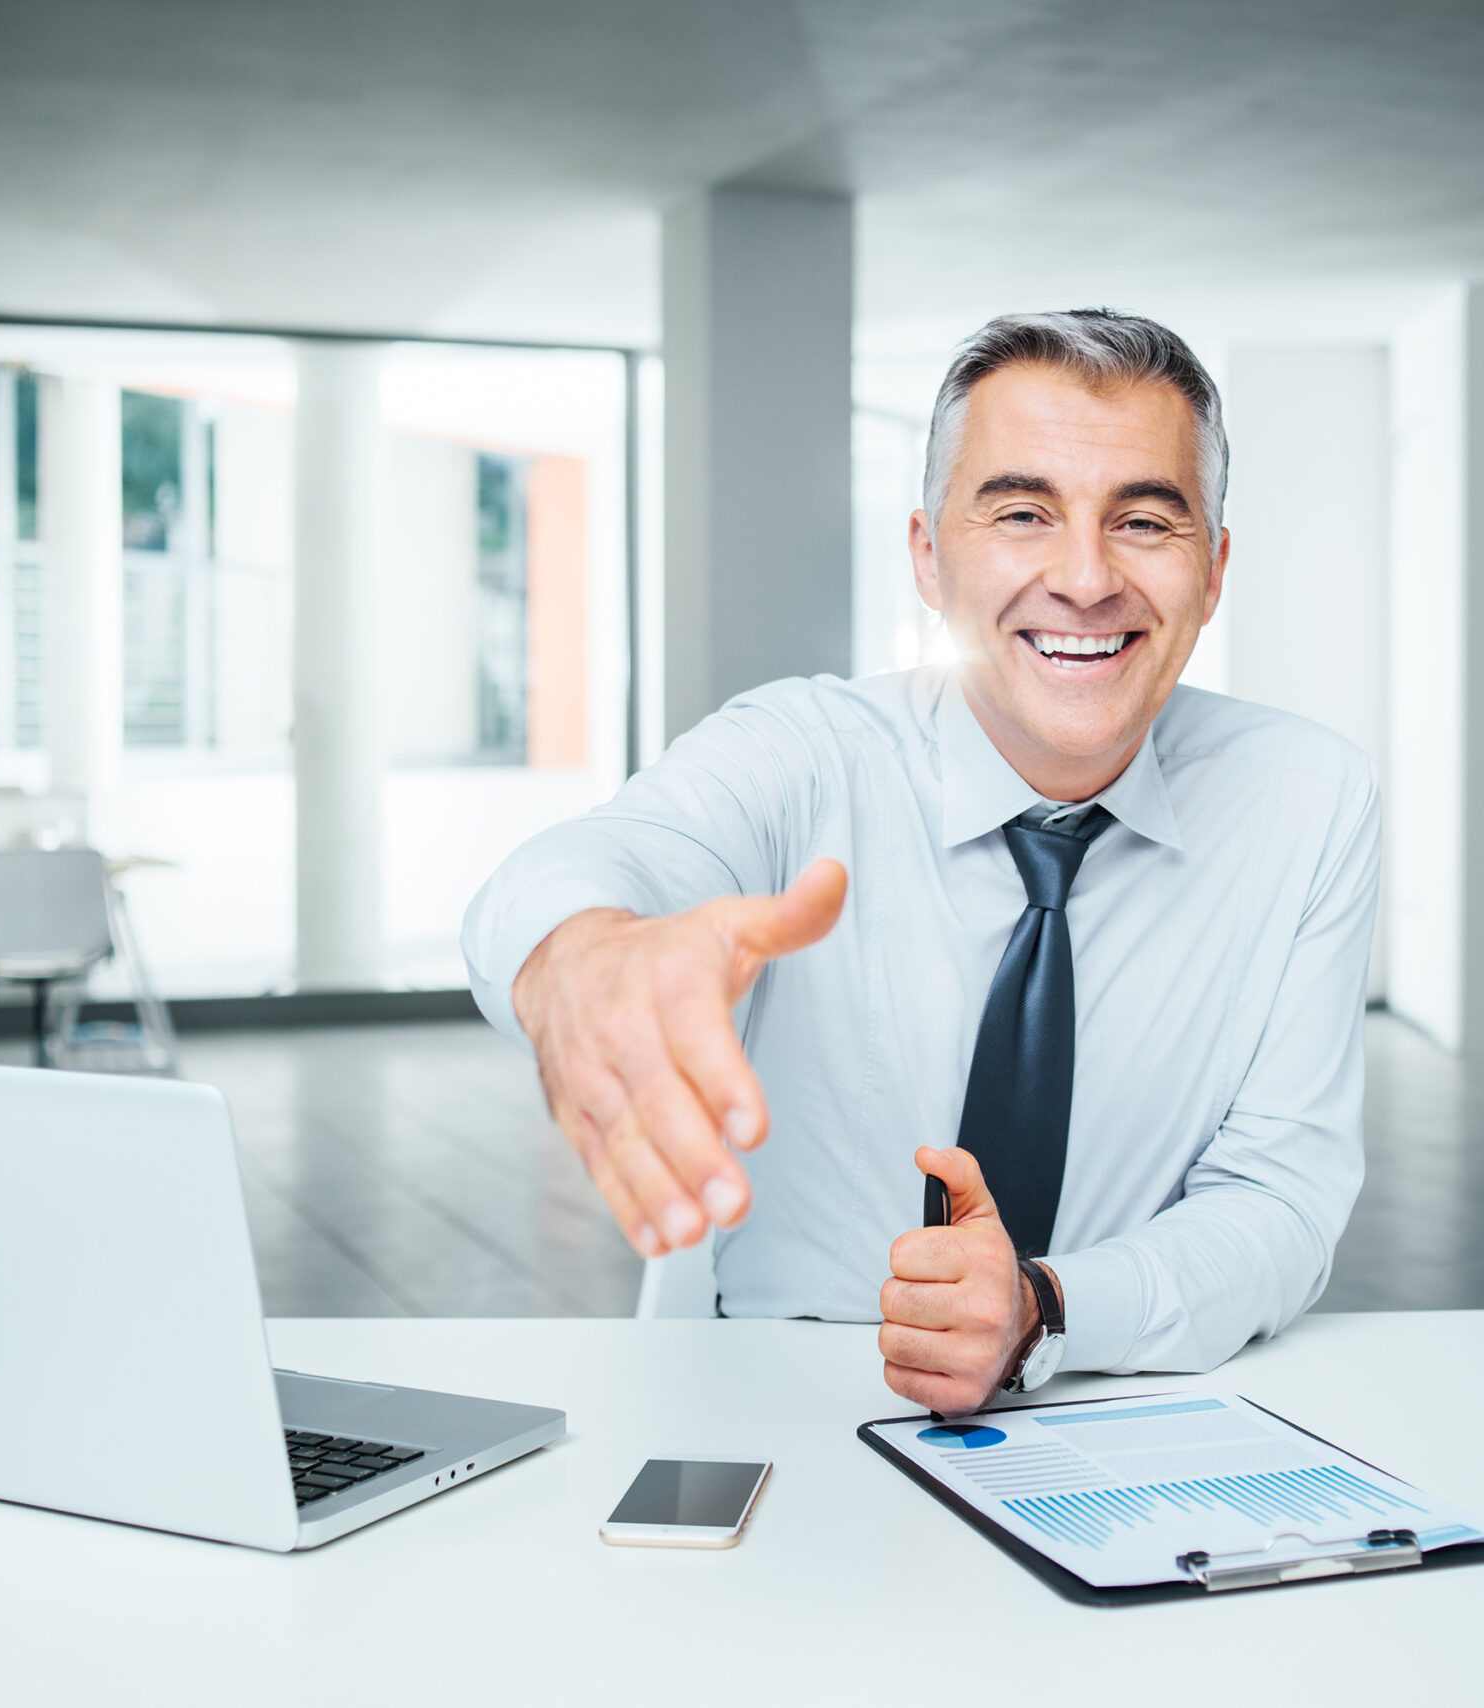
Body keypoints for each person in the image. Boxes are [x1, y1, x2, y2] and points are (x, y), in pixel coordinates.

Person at [464, 309, 1377, 1415]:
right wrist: (580, 958)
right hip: (773, 1408)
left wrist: (1044, 1306)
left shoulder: (1307, 800)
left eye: (1143, 519)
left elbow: (1280, 1201)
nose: (1084, 577)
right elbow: (602, 859)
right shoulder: (805, 754)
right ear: (927, 556)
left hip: (1114, 1407)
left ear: (1214, 569)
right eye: (1022, 511)